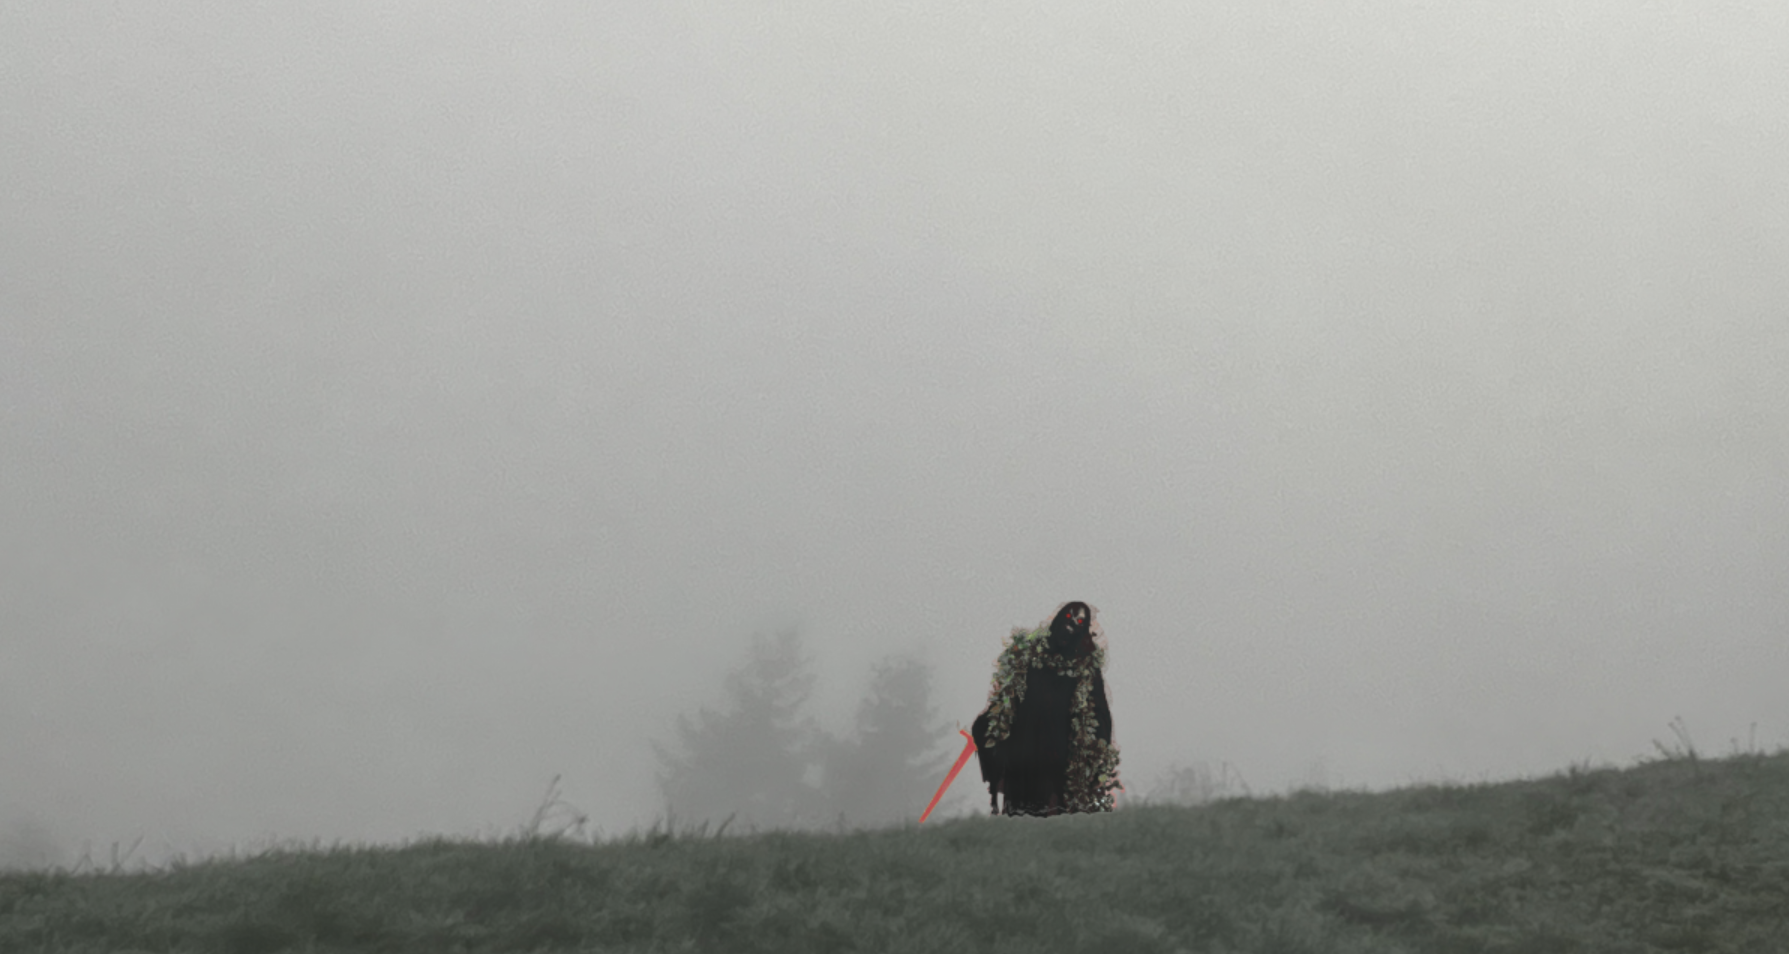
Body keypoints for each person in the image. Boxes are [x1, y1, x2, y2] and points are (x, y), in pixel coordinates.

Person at [971, 601, 1121, 817]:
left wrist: (1095, 751)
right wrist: (991, 722)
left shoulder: (1086, 667)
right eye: (1068, 618)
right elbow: (1009, 696)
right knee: (1023, 811)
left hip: (1060, 755)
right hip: (1024, 750)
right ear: (1059, 619)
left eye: (1079, 622)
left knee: (1053, 809)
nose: (1071, 626)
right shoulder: (1029, 655)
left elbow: (1099, 713)